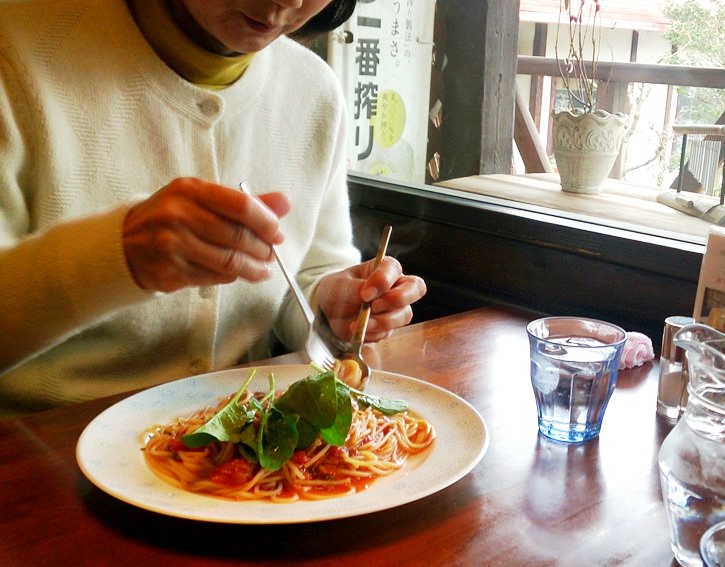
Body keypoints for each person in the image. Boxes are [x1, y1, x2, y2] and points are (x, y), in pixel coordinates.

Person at [0, 0, 427, 417]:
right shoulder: (15, 52)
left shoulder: (314, 90)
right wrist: (117, 256)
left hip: (246, 433)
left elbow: (306, 276)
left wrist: (333, 307)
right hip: (40, 441)